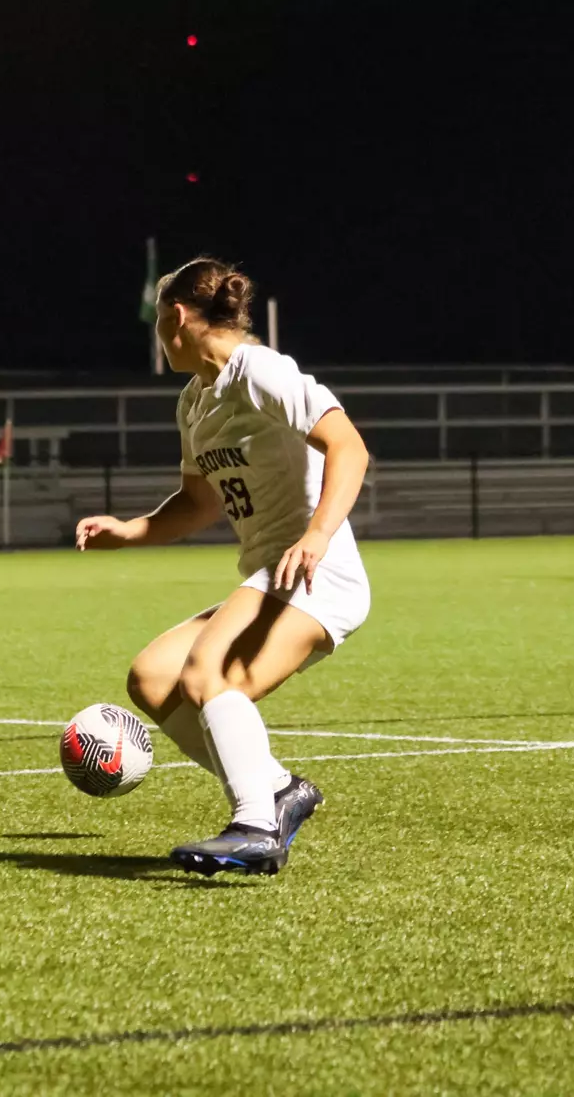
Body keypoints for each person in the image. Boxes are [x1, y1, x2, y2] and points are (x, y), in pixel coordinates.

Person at [75, 258, 371, 877]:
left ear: (178, 316)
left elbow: (349, 445)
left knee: (210, 670)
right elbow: (197, 502)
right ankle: (280, 791)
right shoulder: (196, 401)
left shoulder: (259, 370)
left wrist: (317, 535)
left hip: (319, 576)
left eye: (160, 320)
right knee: (154, 677)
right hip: (271, 574)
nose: (159, 333)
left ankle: (257, 826)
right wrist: (128, 530)